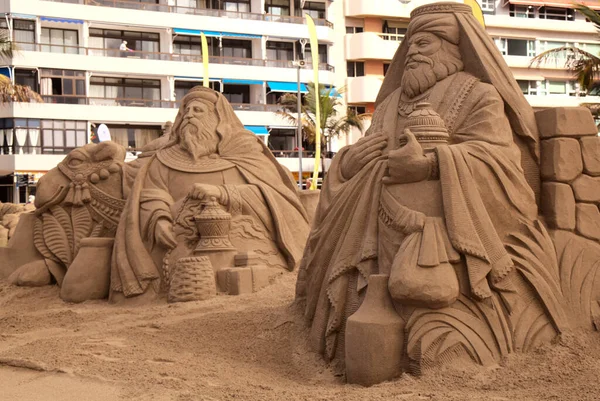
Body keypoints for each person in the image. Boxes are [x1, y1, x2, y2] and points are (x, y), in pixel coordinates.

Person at [295, 2, 547, 372]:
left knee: (433, 313)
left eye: (424, 44)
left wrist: (430, 165)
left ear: (451, 48)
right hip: (374, 228)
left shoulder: (478, 95)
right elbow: (365, 156)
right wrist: (349, 162)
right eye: (410, 44)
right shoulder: (391, 103)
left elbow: (498, 160)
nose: (412, 52)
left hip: (439, 236)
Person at [111, 86, 310, 301]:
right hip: (181, 245)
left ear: (217, 118)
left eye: (198, 111)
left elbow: (272, 195)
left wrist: (222, 193)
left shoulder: (245, 150)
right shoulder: (163, 159)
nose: (189, 116)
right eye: (186, 112)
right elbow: (151, 193)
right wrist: (158, 219)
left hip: (248, 244)